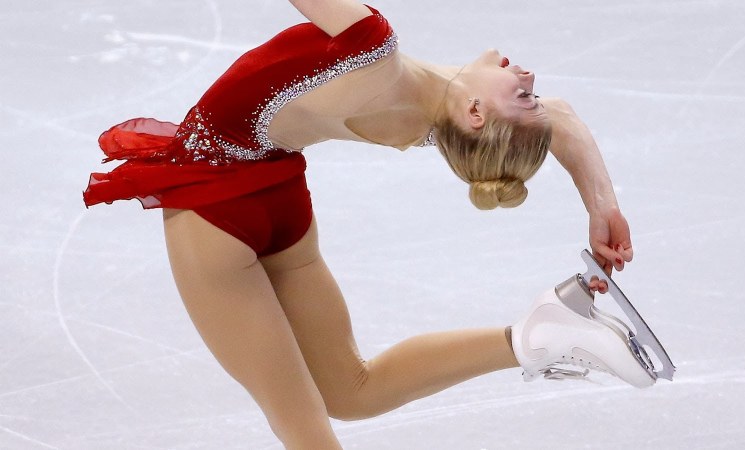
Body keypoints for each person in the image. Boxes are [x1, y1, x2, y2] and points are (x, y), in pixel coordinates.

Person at [83, 1, 650, 448]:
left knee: (306, 432)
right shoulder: (442, 118)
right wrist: (602, 206)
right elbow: (565, 119)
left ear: (476, 114)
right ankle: (537, 336)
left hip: (213, 213)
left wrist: (596, 199)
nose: (527, 75)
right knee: (352, 392)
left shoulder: (372, 48)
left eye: (523, 93)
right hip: (281, 202)